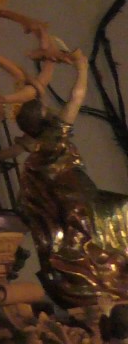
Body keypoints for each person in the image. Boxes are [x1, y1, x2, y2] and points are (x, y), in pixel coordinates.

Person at [13, 49, 128, 309]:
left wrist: (43, 65)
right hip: (81, 201)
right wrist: (82, 67)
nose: (51, 107)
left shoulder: (36, 151)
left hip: (79, 199)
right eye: (45, 107)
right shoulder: (55, 135)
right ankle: (113, 275)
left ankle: (114, 274)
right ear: (44, 117)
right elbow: (77, 96)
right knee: (120, 214)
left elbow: (17, 139)